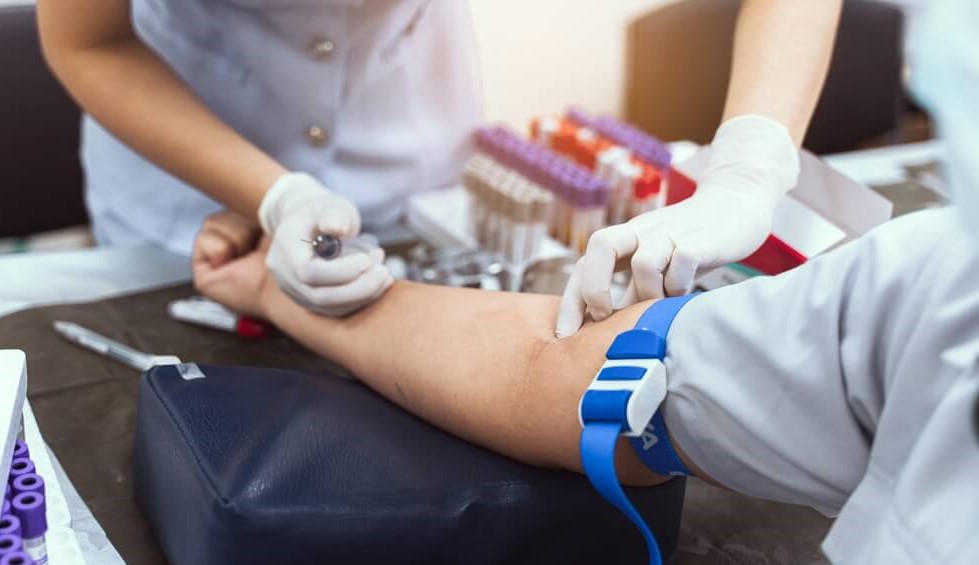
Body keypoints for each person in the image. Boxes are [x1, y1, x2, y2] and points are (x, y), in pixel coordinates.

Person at [189, 1, 979, 559]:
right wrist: (274, 271)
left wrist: (750, 168)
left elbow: (559, 370)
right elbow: (559, 367)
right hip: (205, 148)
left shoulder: (934, 284)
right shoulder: (931, 286)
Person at [36, 1, 842, 318]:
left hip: (411, 122)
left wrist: (749, 166)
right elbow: (87, 42)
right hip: (183, 154)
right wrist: (273, 195)